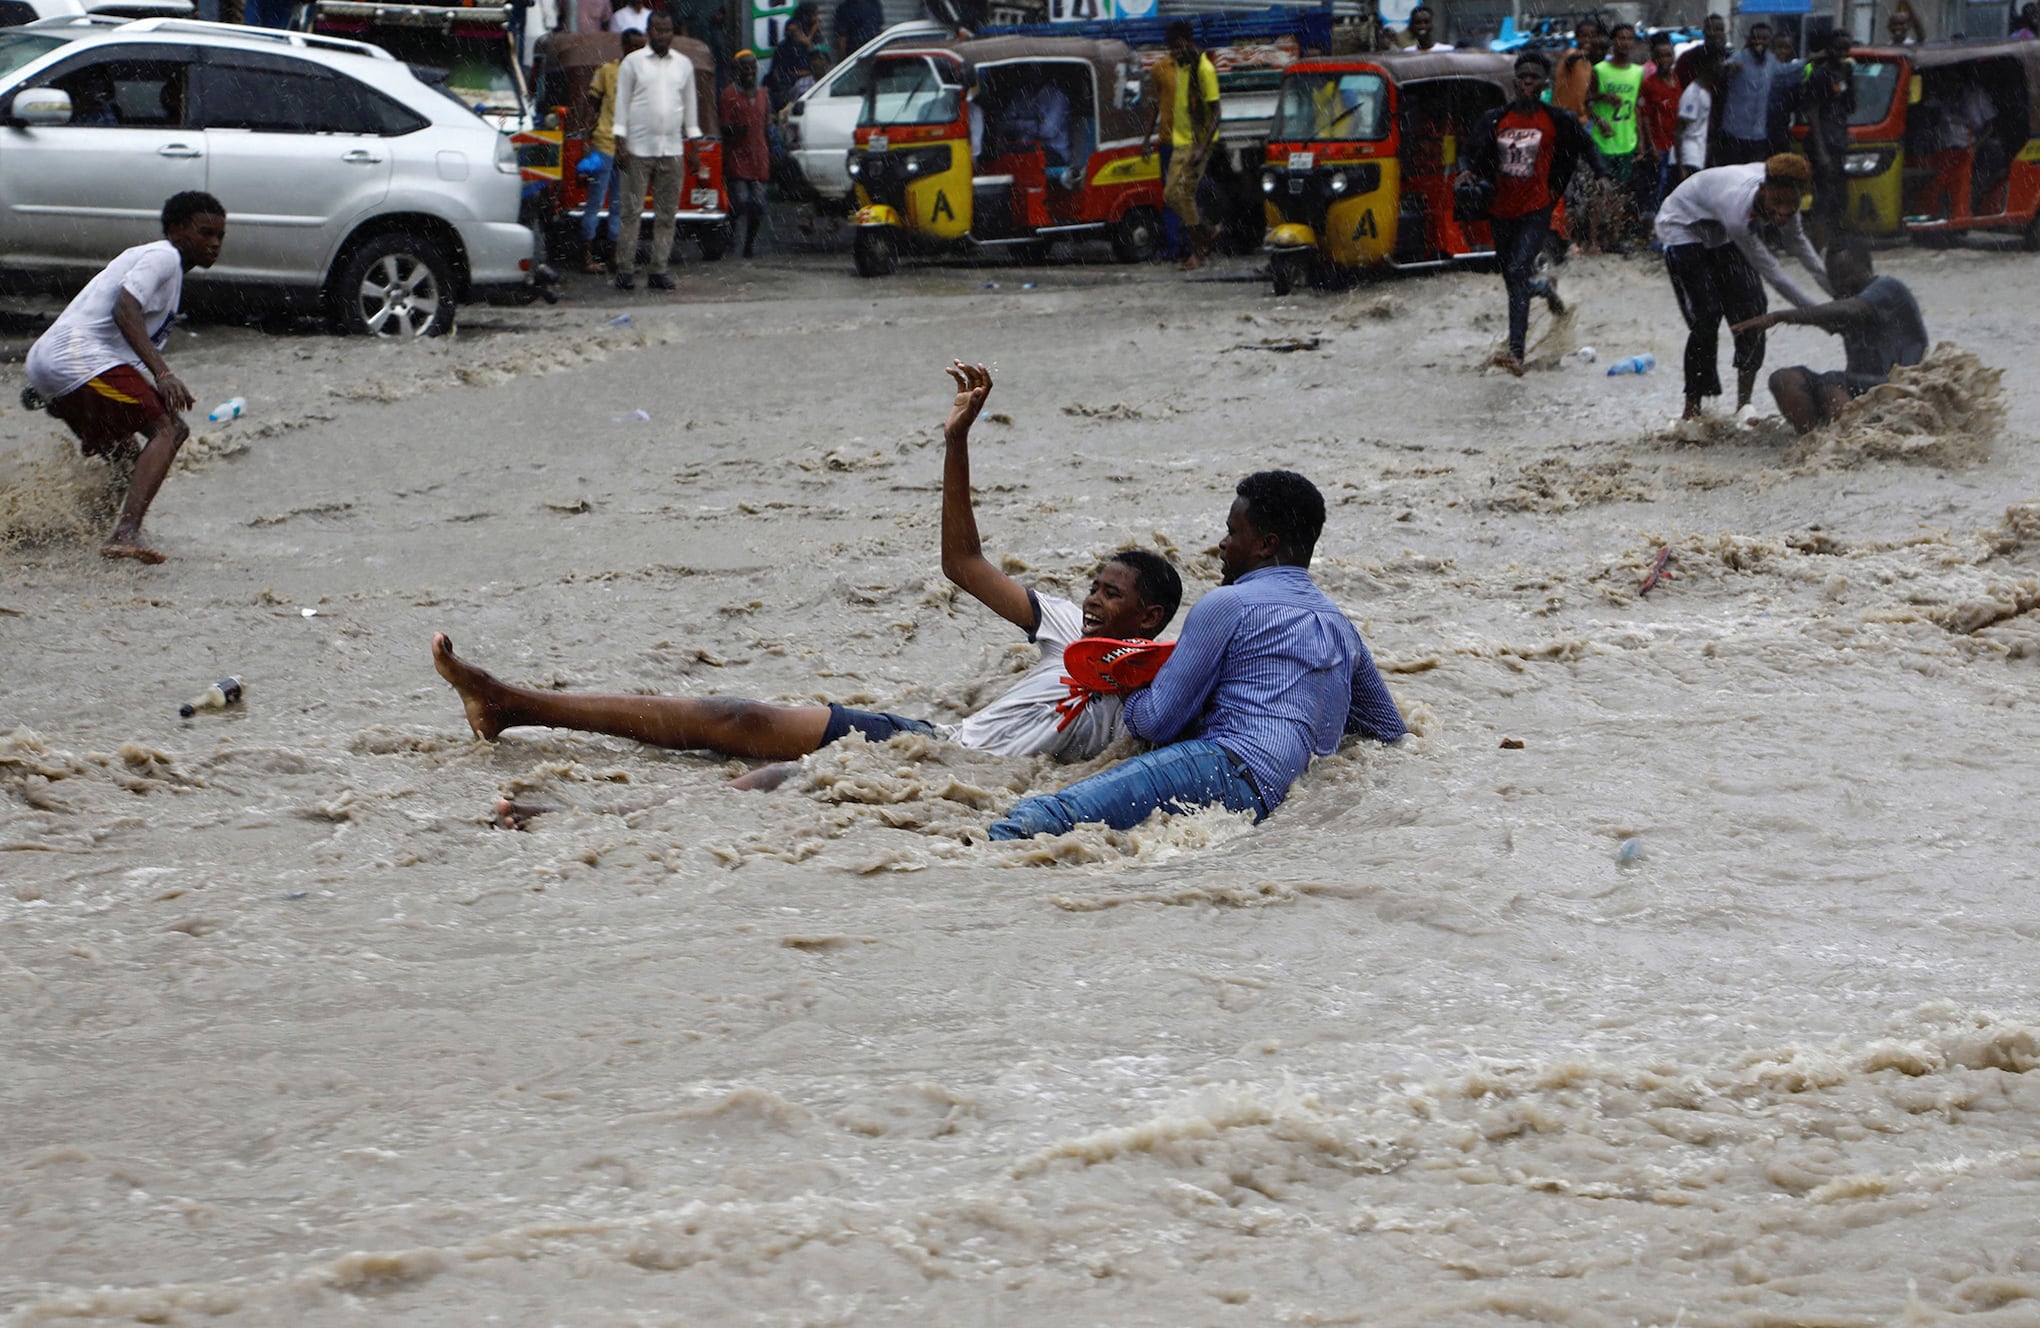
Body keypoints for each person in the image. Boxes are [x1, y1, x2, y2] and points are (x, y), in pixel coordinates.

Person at [430, 363, 1184, 786]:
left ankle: (573, 814)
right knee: (737, 719)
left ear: (1149, 618)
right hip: (930, 743)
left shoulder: (1166, 689)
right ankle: (511, 703)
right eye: (1092, 586)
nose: (1090, 601)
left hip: (963, 782)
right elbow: (961, 564)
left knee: (764, 783)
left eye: (1110, 594)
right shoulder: (1064, 628)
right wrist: (956, 442)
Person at [985, 470, 1405, 842]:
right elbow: (1387, 729)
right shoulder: (1340, 625)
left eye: (1232, 532)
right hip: (1282, 797)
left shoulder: (1228, 604)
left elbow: (1158, 721)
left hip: (1223, 767)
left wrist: (1127, 680)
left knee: (1043, 818)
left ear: (1265, 545)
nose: (1222, 545)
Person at [23, 192, 226, 565]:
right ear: (177, 230)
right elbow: (124, 309)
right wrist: (163, 373)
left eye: (220, 236)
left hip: (58, 365)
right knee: (170, 429)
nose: (214, 244)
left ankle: (87, 531)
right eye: (205, 233)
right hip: (76, 360)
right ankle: (126, 532)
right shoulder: (164, 257)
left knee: (127, 459)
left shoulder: (165, 273)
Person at [1655, 153, 1830, 420]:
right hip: (1681, 225)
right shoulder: (1737, 211)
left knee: (1753, 306)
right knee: (1706, 315)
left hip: (1718, 227)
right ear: (1763, 190)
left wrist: (1842, 297)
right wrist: (1818, 315)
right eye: (1777, 202)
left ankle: (1743, 405)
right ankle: (1692, 410)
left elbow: (1800, 247)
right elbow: (1774, 273)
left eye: (1792, 204)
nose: (1783, 212)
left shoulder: (1785, 195)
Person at [1461, 50, 1603, 376]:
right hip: (1500, 209)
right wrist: (1466, 171)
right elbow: (1468, 152)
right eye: (1522, 76)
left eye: (1533, 77)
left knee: (1516, 270)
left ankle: (1516, 354)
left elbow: (1587, 146)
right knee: (1513, 278)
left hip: (1537, 208)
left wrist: (1602, 174)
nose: (1527, 81)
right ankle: (1543, 289)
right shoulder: (1495, 119)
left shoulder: (1557, 119)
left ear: (1544, 84)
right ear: (1514, 82)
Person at [1731, 234, 1928, 434]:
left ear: (1867, 268)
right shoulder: (1844, 304)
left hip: (1896, 387)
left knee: (1831, 382)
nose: (1841, 284)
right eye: (1834, 279)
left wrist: (1780, 316)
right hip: (1855, 387)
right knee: (1783, 379)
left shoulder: (1888, 288)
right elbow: (1826, 316)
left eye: (1846, 275)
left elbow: (1851, 309)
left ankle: (1846, 439)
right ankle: (1812, 442)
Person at [612, 12, 702, 291]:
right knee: (632, 212)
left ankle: (658, 269)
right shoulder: (632, 62)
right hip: (637, 149)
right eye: (658, 30)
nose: (663, 35)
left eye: (667, 30)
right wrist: (620, 142)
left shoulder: (684, 65)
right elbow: (621, 104)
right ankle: (625, 270)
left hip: (672, 149)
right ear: (648, 31)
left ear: (673, 32)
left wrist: (694, 146)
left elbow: (690, 108)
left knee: (667, 214)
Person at [1140, 20, 1222, 269]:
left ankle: (1195, 253)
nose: (1175, 53)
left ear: (1189, 43)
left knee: (1185, 195)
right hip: (1178, 141)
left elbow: (1216, 112)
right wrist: (1149, 137)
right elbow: (1170, 106)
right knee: (1171, 195)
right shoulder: (1182, 67)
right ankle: (1205, 231)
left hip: (1196, 143)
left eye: (1179, 47)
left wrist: (1201, 147)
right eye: (1172, 49)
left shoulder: (1203, 69)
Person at [581, 27, 645, 274]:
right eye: (635, 46)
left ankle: (615, 257)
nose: (639, 50)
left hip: (632, 147)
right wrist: (586, 137)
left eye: (642, 46)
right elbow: (592, 105)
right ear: (625, 46)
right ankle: (587, 257)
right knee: (596, 201)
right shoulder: (607, 71)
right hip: (605, 144)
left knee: (621, 205)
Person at [1585, 22, 1644, 252]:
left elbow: (1637, 106)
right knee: (1598, 192)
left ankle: (1615, 238)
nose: (1625, 43)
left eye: (1629, 38)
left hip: (1626, 140)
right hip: (1603, 141)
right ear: (1613, 42)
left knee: (1620, 193)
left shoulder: (1637, 72)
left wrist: (1640, 140)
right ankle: (1593, 240)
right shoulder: (1600, 70)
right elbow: (1586, 101)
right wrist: (1600, 113)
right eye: (1621, 38)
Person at [1799, 28, 1855, 249]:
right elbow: (1812, 112)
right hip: (1822, 142)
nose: (1842, 53)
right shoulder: (1819, 75)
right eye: (1838, 48)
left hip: (1838, 140)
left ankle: (1835, 242)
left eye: (1846, 49)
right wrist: (1821, 151)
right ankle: (1816, 246)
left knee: (1840, 196)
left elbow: (1850, 106)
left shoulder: (1845, 72)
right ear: (1829, 49)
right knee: (1823, 195)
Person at [719, 48, 772, 257]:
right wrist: (734, 130)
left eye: (752, 67)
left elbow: (767, 125)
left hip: (759, 156)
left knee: (758, 204)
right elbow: (723, 127)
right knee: (739, 201)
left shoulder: (764, 94)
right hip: (737, 156)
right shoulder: (729, 95)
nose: (749, 71)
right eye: (745, 67)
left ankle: (749, 244)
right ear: (737, 70)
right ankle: (730, 233)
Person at [1718, 21, 1783, 166]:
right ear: (1749, 40)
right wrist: (1730, 69)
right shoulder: (1739, 57)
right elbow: (1721, 69)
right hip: (1734, 132)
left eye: (1764, 39)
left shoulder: (1771, 61)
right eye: (1755, 38)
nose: (1759, 42)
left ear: (1769, 41)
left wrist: (1808, 62)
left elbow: (1785, 71)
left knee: (1754, 173)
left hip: (1758, 134)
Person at [1639, 34, 1684, 216]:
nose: (1664, 60)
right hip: (1660, 144)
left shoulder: (1677, 80)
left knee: (1673, 183)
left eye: (1668, 55)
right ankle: (1652, 219)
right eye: (1660, 56)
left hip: (1676, 143)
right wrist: (1651, 146)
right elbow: (1645, 117)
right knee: (1658, 183)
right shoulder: (1649, 84)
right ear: (1654, 59)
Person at [1673, 48, 1718, 183]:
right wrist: (1681, 166)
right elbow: (1679, 130)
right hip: (1689, 157)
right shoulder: (1693, 94)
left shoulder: (1707, 90)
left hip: (1699, 155)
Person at [768, 1, 821, 110]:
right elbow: (783, 72)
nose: (817, 18)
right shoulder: (785, 48)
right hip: (789, 86)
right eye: (815, 14)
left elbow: (818, 65)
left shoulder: (814, 41)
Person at [1762, 30, 1802, 157]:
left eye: (1787, 47)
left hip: (1783, 127)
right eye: (1779, 47)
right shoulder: (1764, 69)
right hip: (1763, 128)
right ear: (1772, 49)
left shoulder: (1795, 71)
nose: (1783, 51)